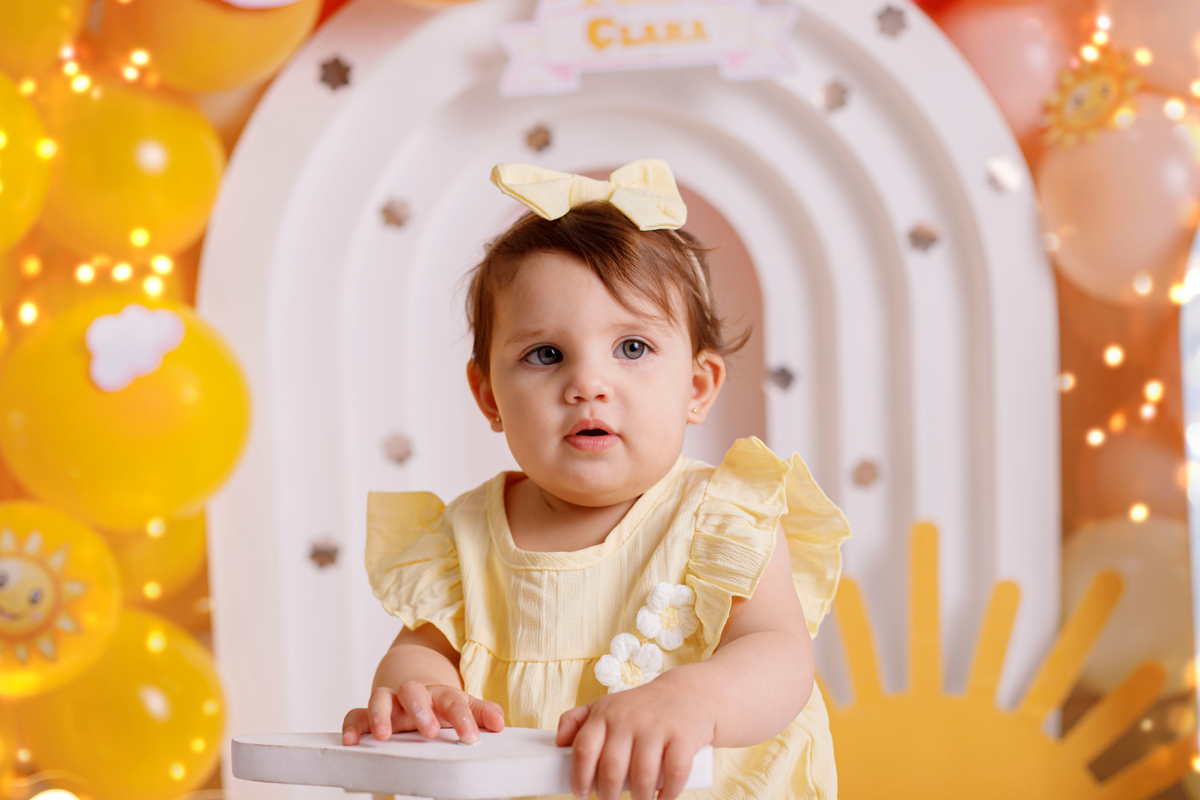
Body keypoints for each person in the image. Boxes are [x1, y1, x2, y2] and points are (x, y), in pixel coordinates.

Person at [341, 160, 850, 800]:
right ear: (489, 395)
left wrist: (694, 698)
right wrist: (422, 692)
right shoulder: (461, 539)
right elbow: (420, 650)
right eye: (546, 355)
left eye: (632, 348)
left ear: (697, 387)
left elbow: (779, 656)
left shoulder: (722, 516)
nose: (587, 384)